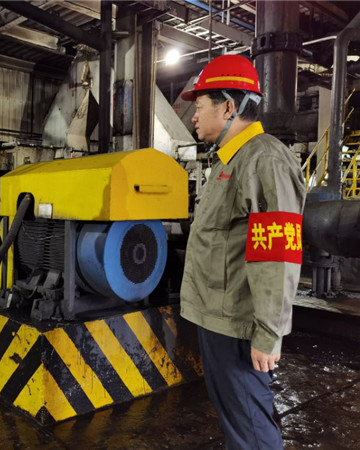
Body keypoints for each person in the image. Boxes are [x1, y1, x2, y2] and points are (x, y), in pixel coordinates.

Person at [179, 55, 306, 449]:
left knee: (249, 426)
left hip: (238, 325)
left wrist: (268, 334)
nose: (193, 116)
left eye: (200, 106)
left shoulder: (264, 160)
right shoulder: (229, 161)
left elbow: (277, 256)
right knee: (238, 421)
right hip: (220, 319)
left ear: (229, 107)